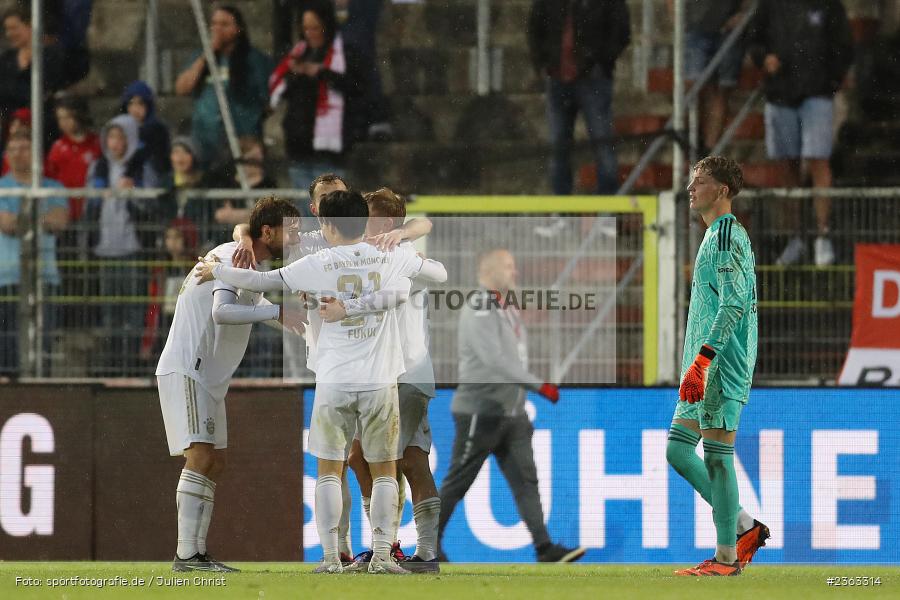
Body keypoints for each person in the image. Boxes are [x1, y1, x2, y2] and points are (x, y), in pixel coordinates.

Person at [201, 189, 448, 574]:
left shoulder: (319, 261)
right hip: (381, 377)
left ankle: (333, 557)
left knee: (330, 468)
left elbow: (262, 279)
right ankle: (383, 555)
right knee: (386, 468)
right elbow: (440, 273)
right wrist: (404, 257)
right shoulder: (390, 255)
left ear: (329, 225)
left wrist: (215, 270)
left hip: (335, 379)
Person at [156, 196, 301, 573]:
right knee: (200, 457)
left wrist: (279, 317)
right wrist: (277, 311)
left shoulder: (243, 258)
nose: (297, 238)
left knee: (215, 462)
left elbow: (249, 298)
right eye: (292, 230)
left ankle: (197, 554)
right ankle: (186, 555)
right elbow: (222, 312)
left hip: (207, 375)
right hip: (190, 367)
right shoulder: (231, 257)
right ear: (267, 231)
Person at [322, 188, 442, 573]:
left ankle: (389, 547)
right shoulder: (374, 256)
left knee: (366, 458)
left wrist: (406, 241)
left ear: (386, 223)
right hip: (406, 374)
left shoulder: (398, 255)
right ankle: (422, 554)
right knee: (412, 461)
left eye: (367, 216)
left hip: (401, 374)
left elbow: (439, 272)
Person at [436, 248, 582, 563]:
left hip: (512, 413)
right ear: (488, 271)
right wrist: (538, 385)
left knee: (526, 481)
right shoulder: (478, 307)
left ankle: (545, 548)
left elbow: (512, 356)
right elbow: (494, 360)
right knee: (458, 481)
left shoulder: (506, 308)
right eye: (508, 266)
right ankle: (427, 544)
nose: (515, 272)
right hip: (480, 409)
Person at [669, 156, 767, 576]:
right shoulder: (714, 235)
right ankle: (744, 524)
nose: (691, 189)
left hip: (721, 365)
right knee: (678, 449)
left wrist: (705, 360)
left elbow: (732, 304)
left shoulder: (726, 235)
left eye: (700, 181)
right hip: (704, 366)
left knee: (716, 458)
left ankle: (727, 557)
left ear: (723, 189)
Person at [747, 0, 853, 266]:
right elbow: (753, 39)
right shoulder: (769, 5)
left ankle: (822, 236)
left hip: (817, 94)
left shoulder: (829, 5)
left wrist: (830, 79)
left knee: (819, 161)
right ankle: (796, 238)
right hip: (779, 95)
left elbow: (843, 44)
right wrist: (764, 58)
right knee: (787, 167)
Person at [527, 0, 631, 195]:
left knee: (602, 147)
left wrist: (599, 61)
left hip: (593, 78)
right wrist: (543, 63)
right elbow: (535, 28)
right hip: (558, 77)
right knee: (559, 150)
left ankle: (605, 214)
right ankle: (563, 215)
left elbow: (621, 31)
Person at [269, 0, 362, 216]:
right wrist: (295, 73)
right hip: (299, 143)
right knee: (304, 207)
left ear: (326, 26)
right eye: (305, 28)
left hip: (330, 148)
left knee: (332, 208)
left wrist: (321, 72)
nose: (310, 33)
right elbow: (283, 91)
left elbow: (356, 87)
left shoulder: (344, 52)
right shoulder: (298, 53)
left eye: (315, 28)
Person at [85, 114, 159, 375]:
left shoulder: (141, 167)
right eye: (111, 137)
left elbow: (152, 204)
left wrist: (135, 194)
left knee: (133, 309)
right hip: (105, 250)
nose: (115, 143)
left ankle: (132, 363)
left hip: (132, 250)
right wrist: (97, 197)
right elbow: (87, 205)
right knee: (109, 310)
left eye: (121, 137)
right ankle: (112, 363)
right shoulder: (99, 168)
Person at [0, 132, 68, 377]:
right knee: (6, 344)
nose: (19, 153)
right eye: (13, 148)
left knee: (43, 341)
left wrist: (22, 219)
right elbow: (5, 224)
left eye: (25, 147)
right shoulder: (2, 187)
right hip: (6, 277)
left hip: (44, 276)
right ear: (6, 154)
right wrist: (39, 219)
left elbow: (60, 221)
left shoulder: (52, 187)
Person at [175, 4, 273, 166]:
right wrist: (207, 54)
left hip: (241, 139)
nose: (217, 29)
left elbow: (269, 101)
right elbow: (181, 88)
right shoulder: (201, 57)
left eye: (224, 24)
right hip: (205, 138)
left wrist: (250, 121)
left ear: (238, 29)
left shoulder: (255, 60)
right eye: (214, 24)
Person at [667, 0, 749, 152]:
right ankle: (691, 138)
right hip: (694, 27)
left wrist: (743, 13)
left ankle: (708, 150)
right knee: (694, 88)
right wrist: (677, 18)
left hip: (728, 27)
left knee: (722, 89)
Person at [0, 6, 66, 147]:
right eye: (7, 29)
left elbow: (47, 92)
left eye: (14, 28)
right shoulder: (6, 60)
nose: (9, 33)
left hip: (42, 128)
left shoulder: (50, 56)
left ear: (30, 25)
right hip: (10, 129)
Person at [46, 95, 101, 222]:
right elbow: (50, 178)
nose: (63, 122)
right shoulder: (58, 147)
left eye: (68, 117)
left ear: (80, 115)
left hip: (91, 210)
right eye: (60, 118)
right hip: (65, 211)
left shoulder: (97, 144)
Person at [120, 80, 172, 178]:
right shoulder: (121, 128)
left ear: (148, 105)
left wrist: (128, 175)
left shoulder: (157, 128)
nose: (135, 109)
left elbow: (148, 156)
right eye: (131, 104)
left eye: (140, 103)